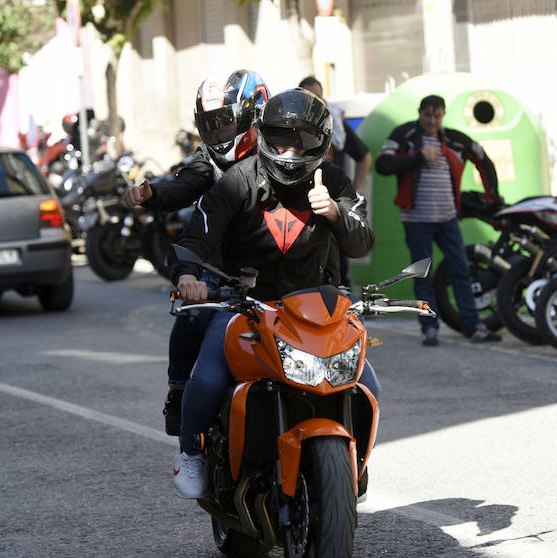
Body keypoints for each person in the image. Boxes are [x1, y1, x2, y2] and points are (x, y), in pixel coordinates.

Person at [169, 88, 376, 499]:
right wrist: (186, 276)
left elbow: (362, 243)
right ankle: (190, 451)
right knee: (208, 378)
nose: (288, 150)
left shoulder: (334, 182)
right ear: (262, 135)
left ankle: (354, 465)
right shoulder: (237, 181)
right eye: (280, 137)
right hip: (247, 307)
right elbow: (195, 238)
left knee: (369, 387)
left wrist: (334, 213)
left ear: (320, 143)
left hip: (319, 312)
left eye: (300, 140)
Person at [122, 69, 270, 436]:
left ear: (253, 115)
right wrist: (151, 194)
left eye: (224, 122)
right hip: (221, 266)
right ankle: (177, 389)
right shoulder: (211, 159)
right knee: (192, 313)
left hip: (278, 266)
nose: (218, 132)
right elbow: (183, 186)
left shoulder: (279, 154)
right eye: (211, 124)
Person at [375, 94, 502, 346]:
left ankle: (472, 327)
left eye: (437, 116)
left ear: (442, 116)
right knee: (422, 275)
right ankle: (429, 329)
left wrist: (493, 197)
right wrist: (419, 157)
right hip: (416, 220)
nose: (432, 121)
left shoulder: (454, 139)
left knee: (461, 271)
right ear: (419, 113)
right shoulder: (405, 134)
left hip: (448, 219)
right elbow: (382, 164)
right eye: (427, 115)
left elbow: (483, 158)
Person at [298, 75, 372, 288]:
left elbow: (364, 156)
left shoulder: (334, 123)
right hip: (300, 204)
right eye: (309, 98)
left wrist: (354, 190)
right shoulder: (291, 126)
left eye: (319, 98)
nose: (316, 103)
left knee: (337, 265)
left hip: (332, 202)